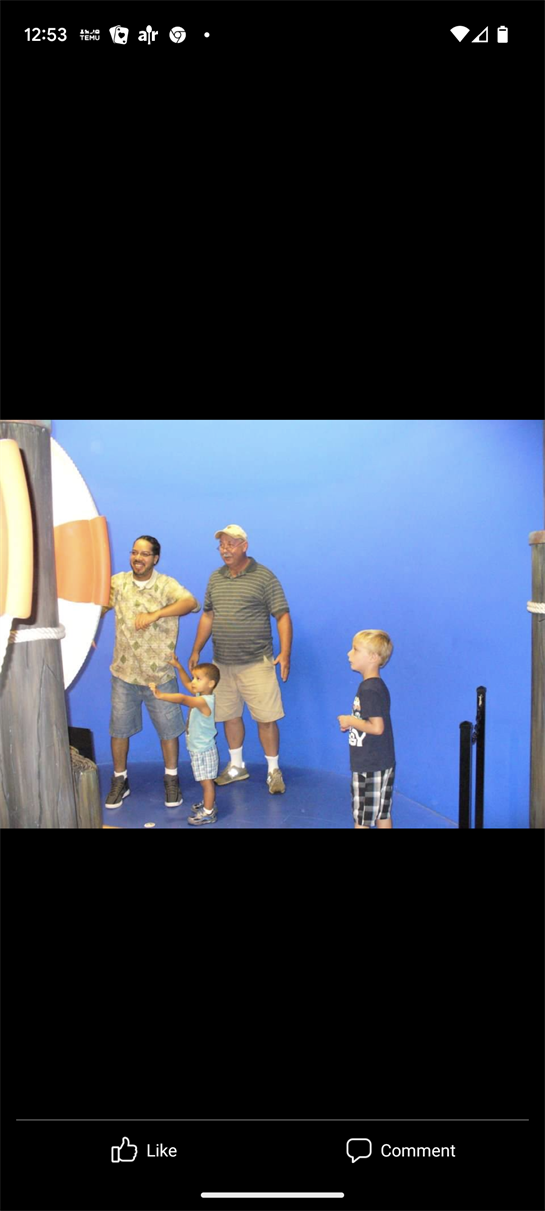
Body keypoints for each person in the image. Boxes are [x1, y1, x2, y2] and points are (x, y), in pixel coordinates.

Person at [188, 524, 292, 794]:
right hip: (222, 664)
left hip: (257, 662)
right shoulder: (215, 578)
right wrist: (197, 649)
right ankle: (236, 766)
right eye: (221, 545)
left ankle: (273, 770)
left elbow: (282, 615)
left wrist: (285, 653)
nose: (225, 550)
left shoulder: (264, 577)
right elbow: (208, 615)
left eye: (231, 544)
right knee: (229, 716)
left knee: (266, 719)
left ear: (244, 546)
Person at [102, 535, 200, 809]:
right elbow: (100, 606)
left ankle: (171, 779)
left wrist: (156, 614)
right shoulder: (118, 582)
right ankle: (120, 780)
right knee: (119, 730)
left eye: (145, 554)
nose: (138, 558)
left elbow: (191, 603)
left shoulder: (166, 585)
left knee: (169, 731)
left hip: (160, 675)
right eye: (134, 552)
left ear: (155, 558)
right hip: (124, 673)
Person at [149, 656, 220, 826]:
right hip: (197, 749)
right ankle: (208, 803)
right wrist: (179, 666)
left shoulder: (203, 701)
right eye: (194, 678)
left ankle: (209, 812)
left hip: (203, 751)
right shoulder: (200, 694)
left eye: (198, 679)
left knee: (206, 782)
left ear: (210, 684)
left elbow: (182, 698)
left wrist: (161, 695)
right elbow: (187, 683)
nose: (193, 682)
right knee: (203, 780)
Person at [338, 630, 395, 829]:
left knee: (362, 818)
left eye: (355, 649)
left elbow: (377, 727)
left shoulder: (369, 689)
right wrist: (354, 722)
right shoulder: (376, 686)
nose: (349, 654)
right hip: (381, 762)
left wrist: (350, 720)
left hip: (369, 765)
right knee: (382, 813)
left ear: (373, 657)